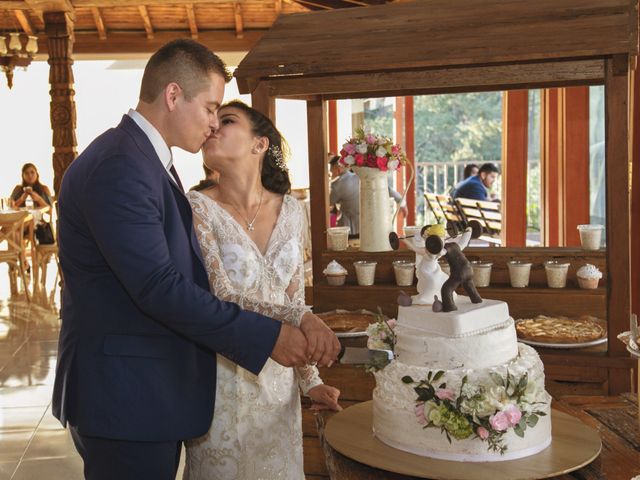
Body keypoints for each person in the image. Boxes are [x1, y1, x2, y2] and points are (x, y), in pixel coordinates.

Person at [53, 39, 340, 480]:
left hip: (147, 391)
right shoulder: (121, 164)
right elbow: (158, 287)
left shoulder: (146, 160)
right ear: (173, 96)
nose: (211, 124)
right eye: (210, 108)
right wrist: (268, 337)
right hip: (126, 395)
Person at [185, 101, 341, 479]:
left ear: (259, 144)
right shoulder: (196, 207)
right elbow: (221, 294)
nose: (212, 127)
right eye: (212, 119)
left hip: (279, 382)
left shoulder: (291, 211)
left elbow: (293, 296)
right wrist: (301, 317)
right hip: (222, 378)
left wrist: (312, 383)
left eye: (227, 121)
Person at [329, 154, 408, 235]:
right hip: (372, 225)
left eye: (331, 171)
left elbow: (329, 203)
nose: (331, 174)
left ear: (337, 168)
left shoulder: (337, 185)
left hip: (351, 229)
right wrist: (402, 204)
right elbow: (390, 191)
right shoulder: (362, 176)